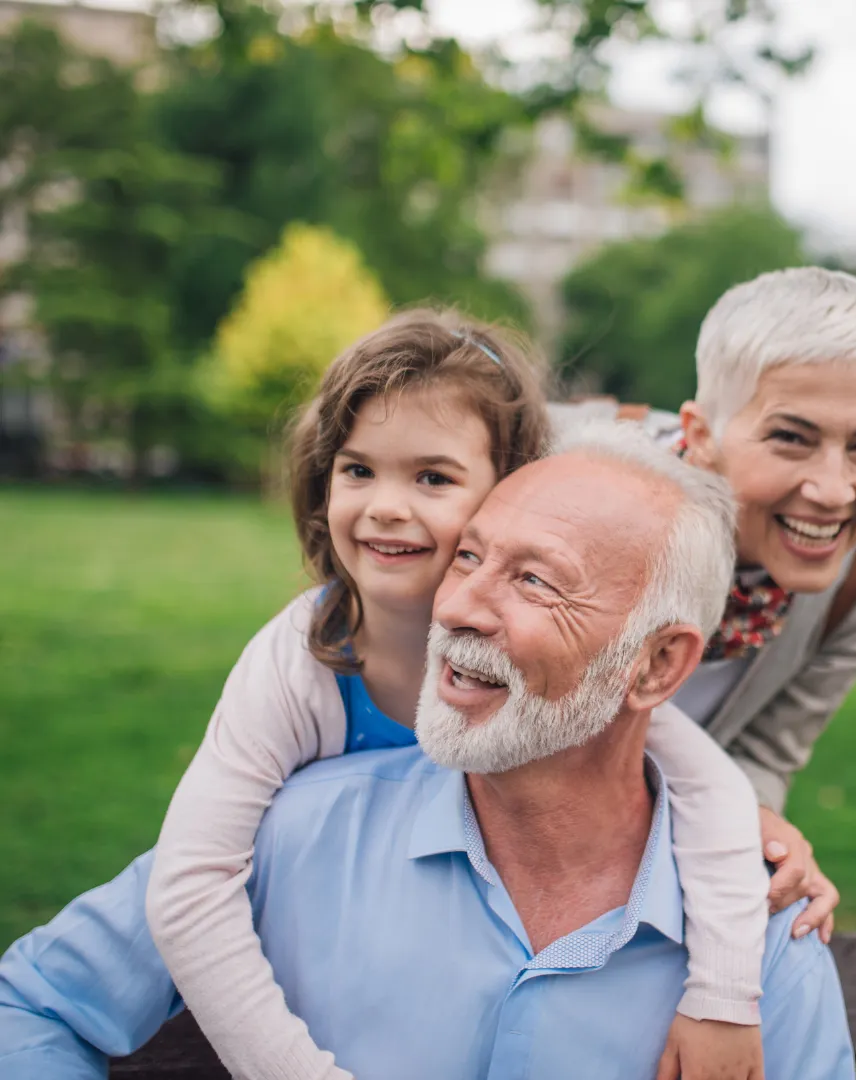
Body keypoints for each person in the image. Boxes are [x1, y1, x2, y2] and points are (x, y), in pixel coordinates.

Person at [0, 424, 855, 1080]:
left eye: (533, 579)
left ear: (657, 665)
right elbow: (27, 1006)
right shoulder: (295, 836)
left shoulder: (762, 938)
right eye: (469, 557)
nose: (460, 607)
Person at [140, 310, 770, 1080]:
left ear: (511, 488)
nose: (386, 506)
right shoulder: (303, 657)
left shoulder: (566, 669)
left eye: (432, 477)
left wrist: (724, 995)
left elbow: (711, 791)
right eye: (357, 469)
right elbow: (191, 881)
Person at [554, 266, 856, 943]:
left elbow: (767, 752)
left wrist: (757, 833)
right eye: (791, 438)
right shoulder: (568, 483)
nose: (835, 491)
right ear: (701, 433)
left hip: (649, 861)